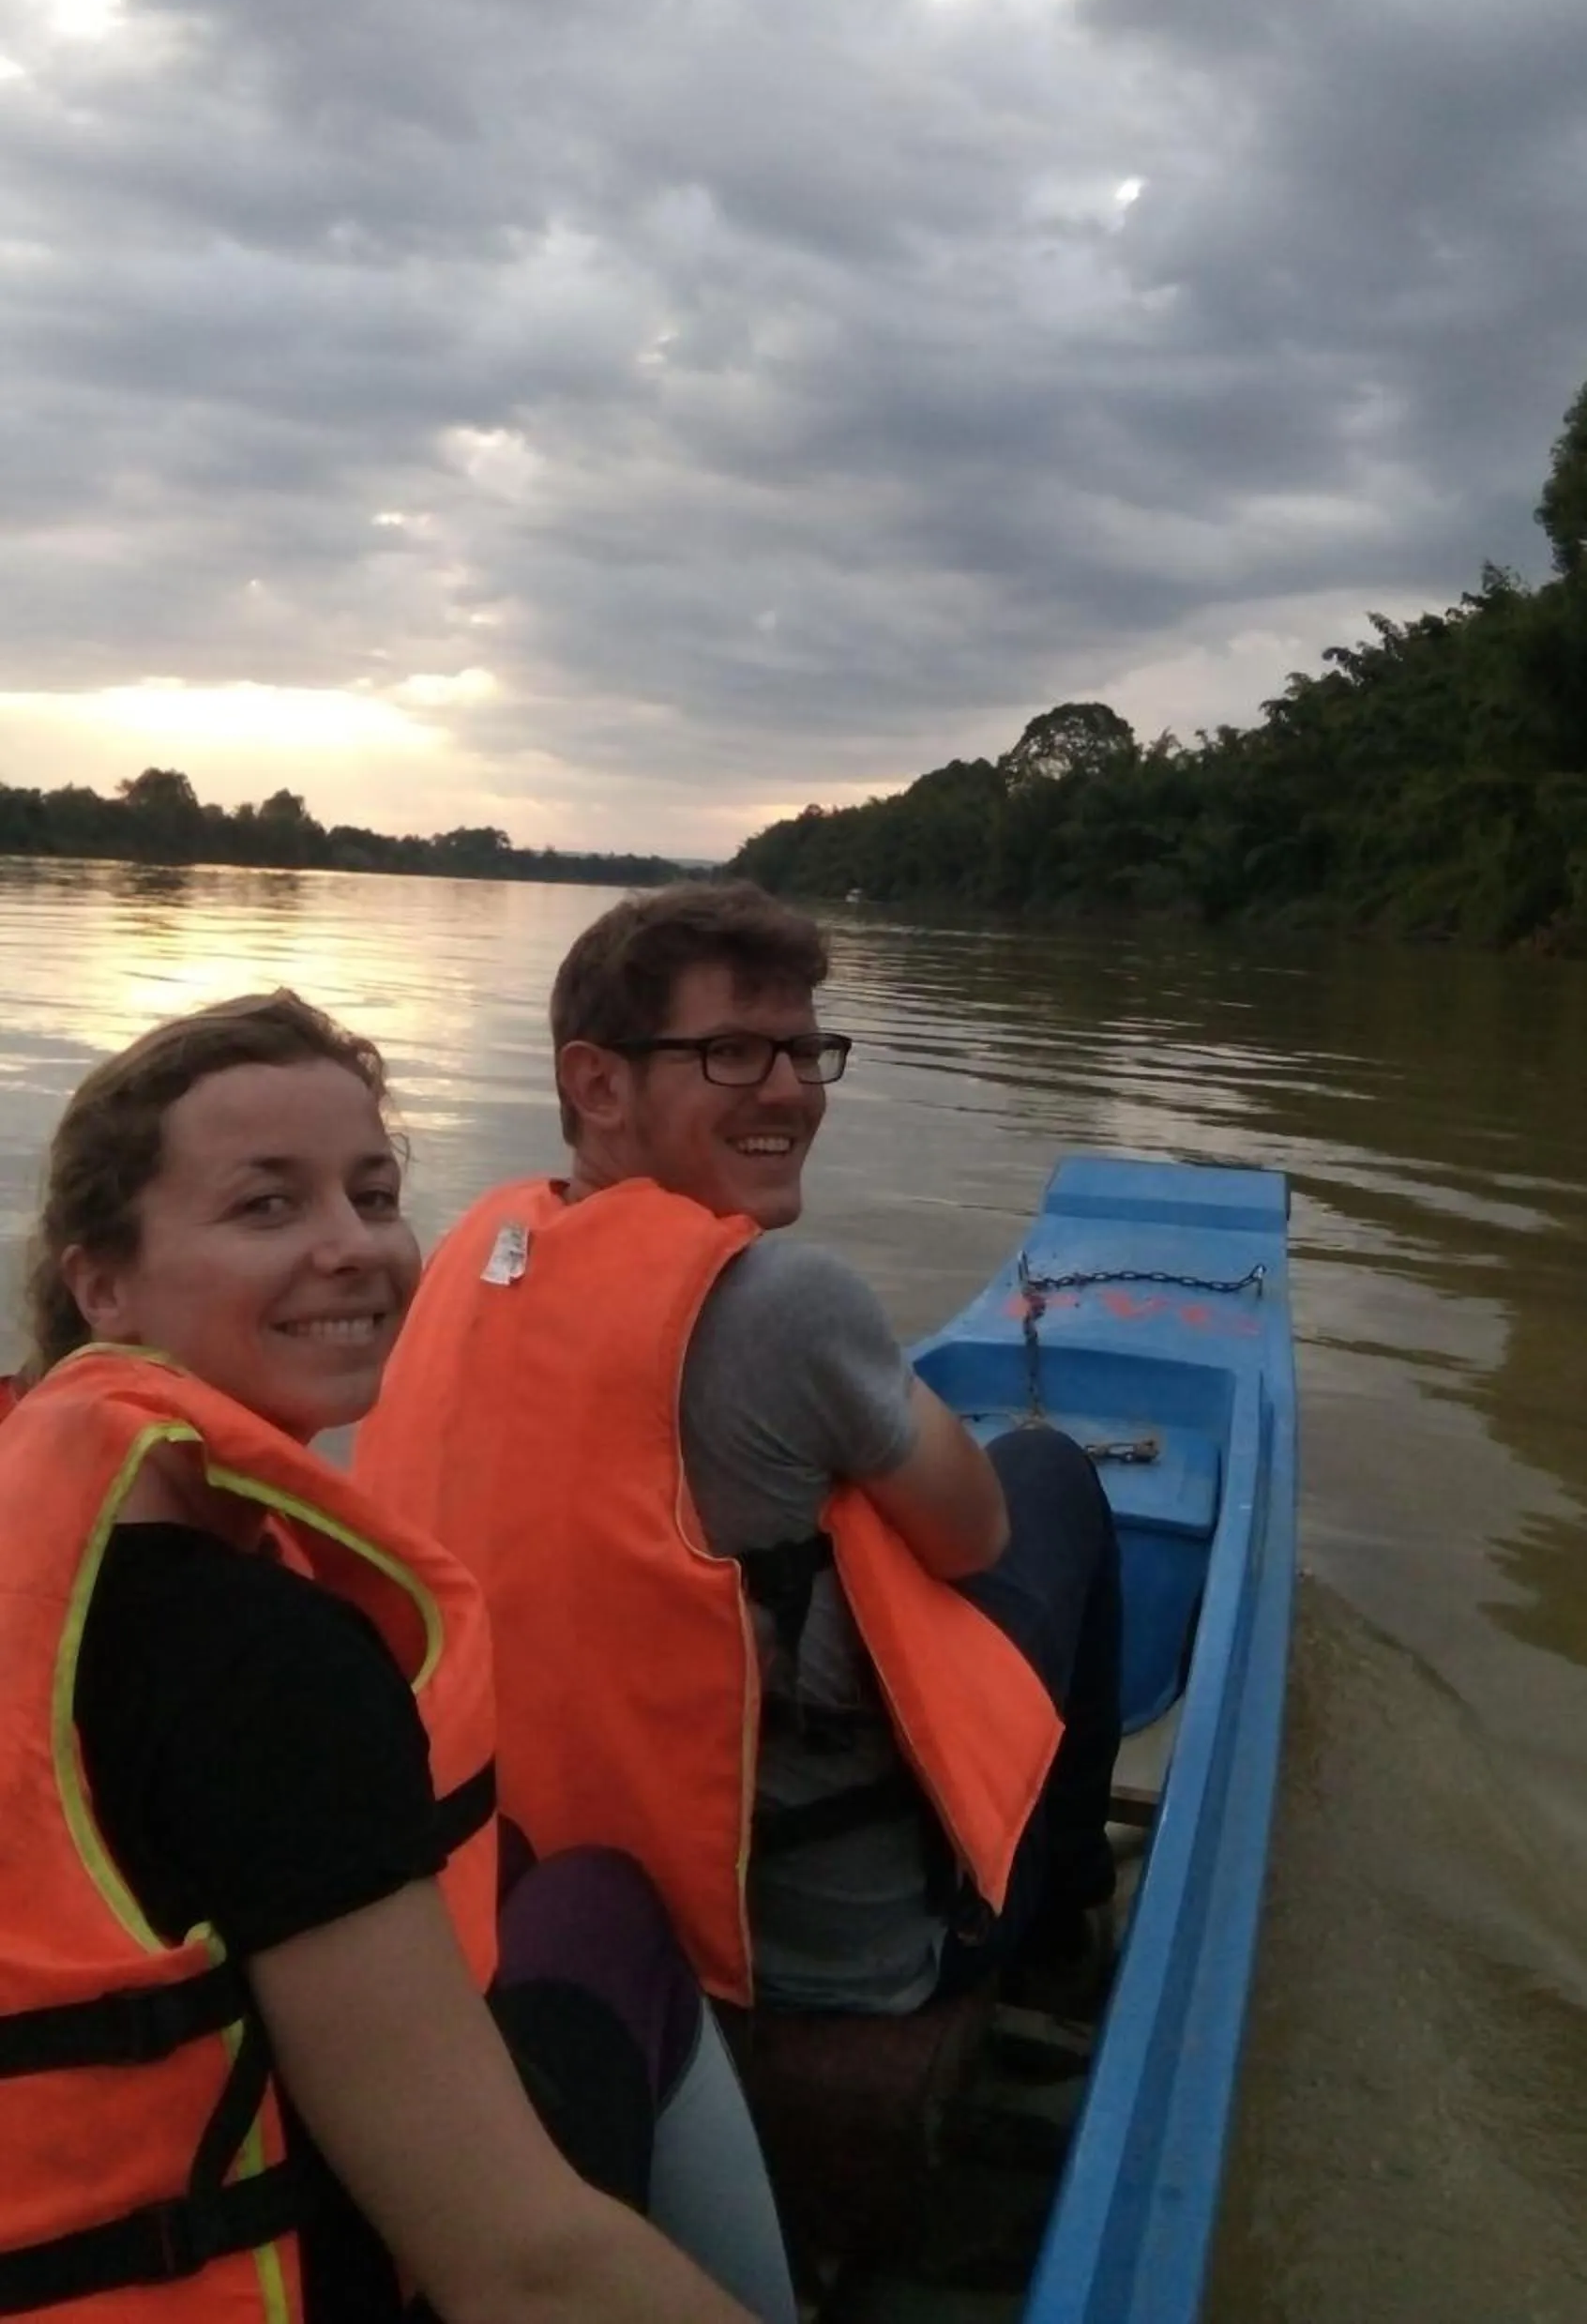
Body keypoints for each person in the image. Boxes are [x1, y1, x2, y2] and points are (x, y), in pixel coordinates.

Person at [0, 990, 794, 2324]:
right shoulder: (257, 1662)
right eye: (267, 1206)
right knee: (611, 1909)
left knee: (532, 1866)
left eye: (372, 1196)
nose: (353, 1249)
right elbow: (518, 2267)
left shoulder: (53, 1538)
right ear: (104, 1284)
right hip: (276, 2283)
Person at [356, 886, 1121, 2019]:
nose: (790, 1092)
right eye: (731, 1053)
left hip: (511, 1882)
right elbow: (976, 1535)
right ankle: (1056, 1927)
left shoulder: (474, 1258)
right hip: (820, 1952)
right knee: (1049, 1474)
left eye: (807, 1053)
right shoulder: (789, 1302)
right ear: (597, 1083)